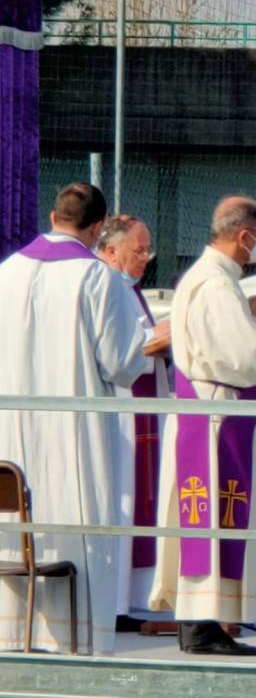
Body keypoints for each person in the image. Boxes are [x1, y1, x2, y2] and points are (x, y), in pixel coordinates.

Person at [0, 183, 149, 654]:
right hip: (76, 434)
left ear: (53, 215)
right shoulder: (98, 278)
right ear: (97, 228)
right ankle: (78, 639)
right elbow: (121, 363)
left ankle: (11, 633)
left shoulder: (8, 272)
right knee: (82, 525)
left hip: (13, 433)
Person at [149, 196, 256, 656]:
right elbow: (245, 357)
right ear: (244, 236)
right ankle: (203, 626)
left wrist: (250, 318)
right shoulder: (218, 286)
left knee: (206, 521)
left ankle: (203, 624)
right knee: (214, 520)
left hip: (204, 412)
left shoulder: (205, 277)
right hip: (218, 417)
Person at [96, 215, 171, 627]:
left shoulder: (129, 289)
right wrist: (158, 339)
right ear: (110, 250)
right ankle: (118, 598)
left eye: (148, 250)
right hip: (122, 415)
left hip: (143, 411)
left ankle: (133, 595)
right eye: (137, 249)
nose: (145, 257)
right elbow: (114, 354)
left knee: (143, 498)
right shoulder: (105, 288)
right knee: (127, 498)